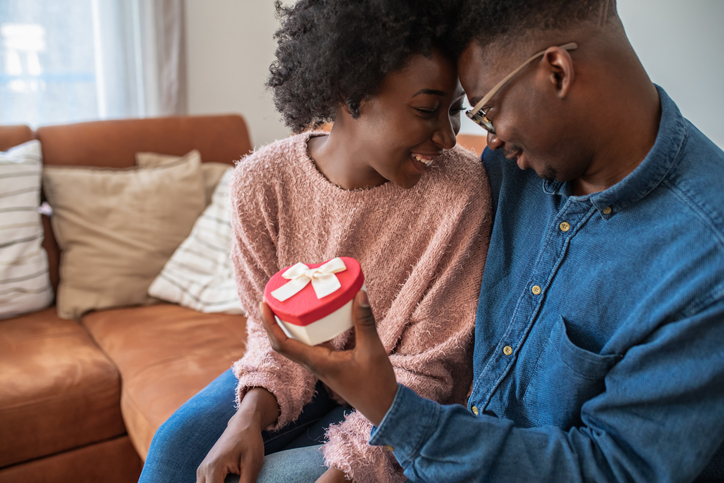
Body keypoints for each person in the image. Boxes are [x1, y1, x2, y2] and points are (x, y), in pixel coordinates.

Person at [262, 0, 724, 481]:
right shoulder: (516, 168)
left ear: (557, 73)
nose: (490, 142)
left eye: (484, 112)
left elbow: (612, 469)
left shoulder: (705, 264)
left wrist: (393, 410)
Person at [138, 1, 492, 482]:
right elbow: (271, 332)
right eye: (428, 110)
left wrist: (349, 470)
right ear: (351, 93)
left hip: (401, 401)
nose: (449, 138)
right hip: (299, 372)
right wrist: (248, 415)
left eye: (455, 112)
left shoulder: (461, 192)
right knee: (175, 450)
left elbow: (432, 369)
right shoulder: (261, 182)